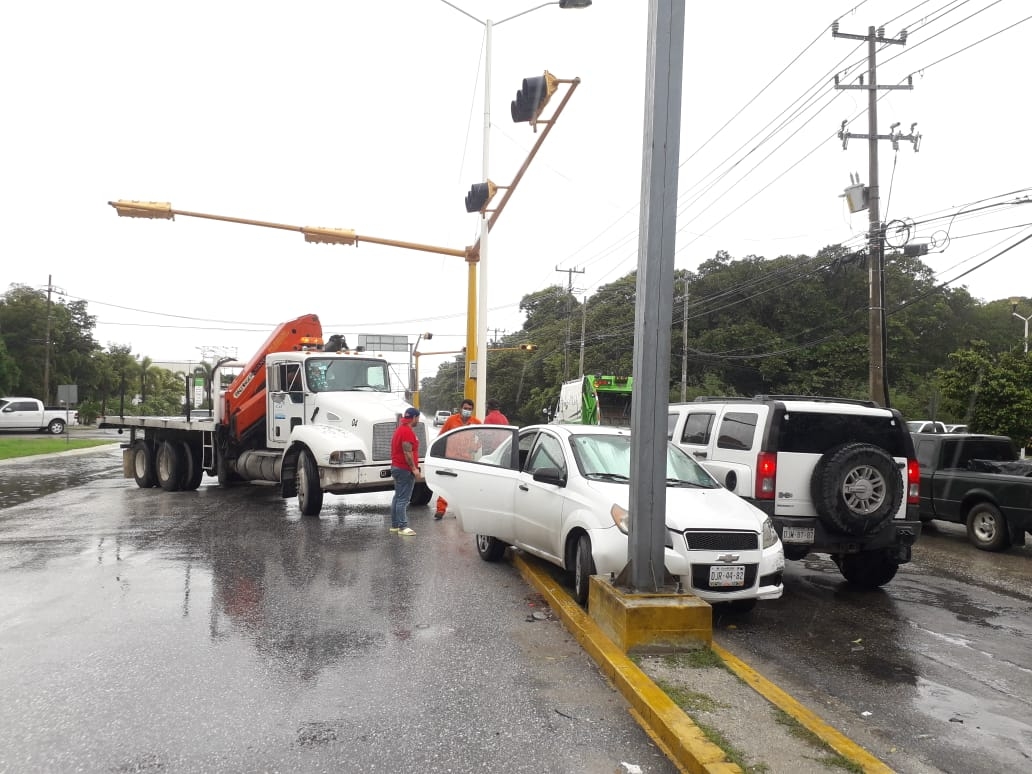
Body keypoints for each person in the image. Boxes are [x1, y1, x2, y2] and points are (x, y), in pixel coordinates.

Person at [434, 398, 481, 519]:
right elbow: (441, 436)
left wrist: (475, 447)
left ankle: (460, 511)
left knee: (463, 486)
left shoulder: (476, 422)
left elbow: (483, 437)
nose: (467, 411)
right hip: (451, 458)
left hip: (466, 459)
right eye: (465, 408)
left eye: (470, 409)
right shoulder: (451, 420)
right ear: (461, 408)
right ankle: (440, 510)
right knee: (446, 485)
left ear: (472, 410)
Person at [390, 407, 422, 536]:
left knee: (397, 497)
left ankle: (395, 525)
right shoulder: (407, 431)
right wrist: (414, 469)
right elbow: (407, 451)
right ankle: (403, 526)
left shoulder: (400, 429)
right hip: (404, 469)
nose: (418, 421)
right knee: (403, 499)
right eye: (418, 418)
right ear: (414, 418)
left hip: (397, 467)